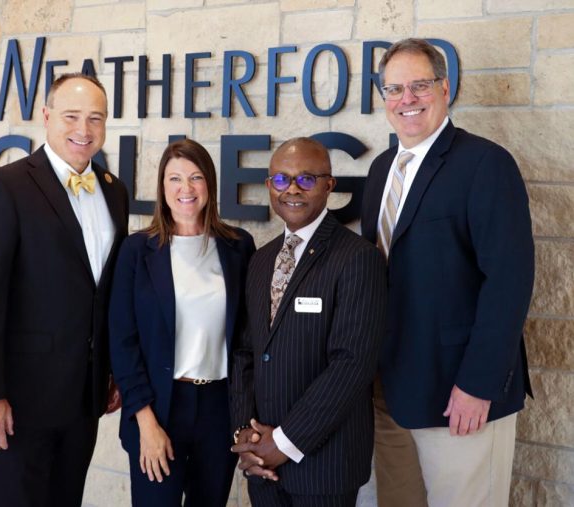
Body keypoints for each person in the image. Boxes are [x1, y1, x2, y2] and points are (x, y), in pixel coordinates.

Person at [361, 38, 535, 507]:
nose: (406, 99)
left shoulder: (485, 164)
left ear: (445, 87)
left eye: (419, 85)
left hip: (458, 396)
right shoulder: (381, 170)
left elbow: (509, 281)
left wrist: (477, 385)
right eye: (394, 89)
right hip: (389, 389)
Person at [0, 73, 129, 507]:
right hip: (16, 402)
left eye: (95, 118)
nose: (83, 130)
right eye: (71, 116)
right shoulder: (4, 186)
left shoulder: (115, 193)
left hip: (83, 400)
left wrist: (112, 371)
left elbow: (105, 294)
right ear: (47, 117)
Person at [230, 137, 387, 506]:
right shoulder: (262, 259)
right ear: (269, 186)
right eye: (281, 180)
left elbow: (352, 365)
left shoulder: (358, 259)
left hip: (324, 466)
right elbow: (244, 352)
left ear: (329, 185)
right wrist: (245, 437)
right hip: (262, 464)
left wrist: (282, 443)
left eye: (307, 179)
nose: (293, 190)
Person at [109, 139, 255, 506]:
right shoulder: (136, 251)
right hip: (158, 408)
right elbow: (122, 342)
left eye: (195, 177)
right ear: (162, 186)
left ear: (210, 184)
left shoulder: (239, 247)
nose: (185, 189)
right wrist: (145, 421)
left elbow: (249, 338)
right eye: (174, 178)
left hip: (219, 409)